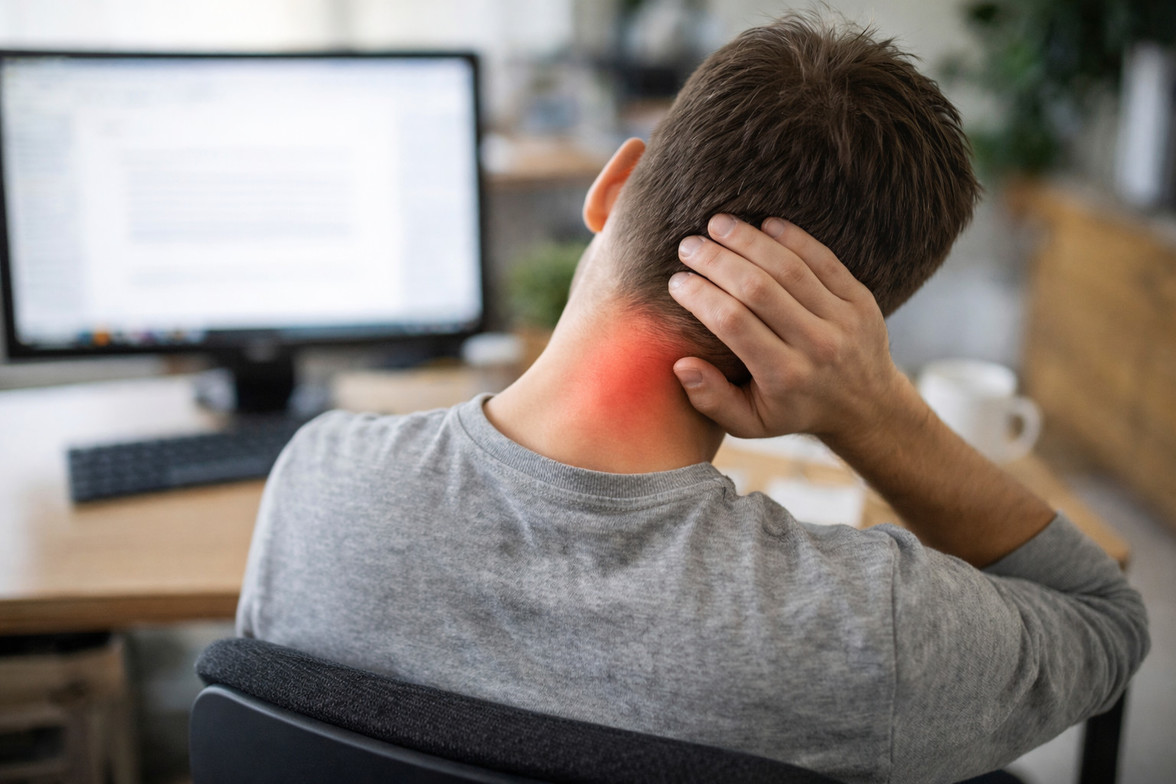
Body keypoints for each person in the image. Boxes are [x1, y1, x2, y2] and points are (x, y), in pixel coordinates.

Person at [237, 13, 1149, 784]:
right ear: (851, 339)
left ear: (612, 186)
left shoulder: (318, 485)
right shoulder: (870, 638)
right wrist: (874, 413)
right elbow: (1105, 622)